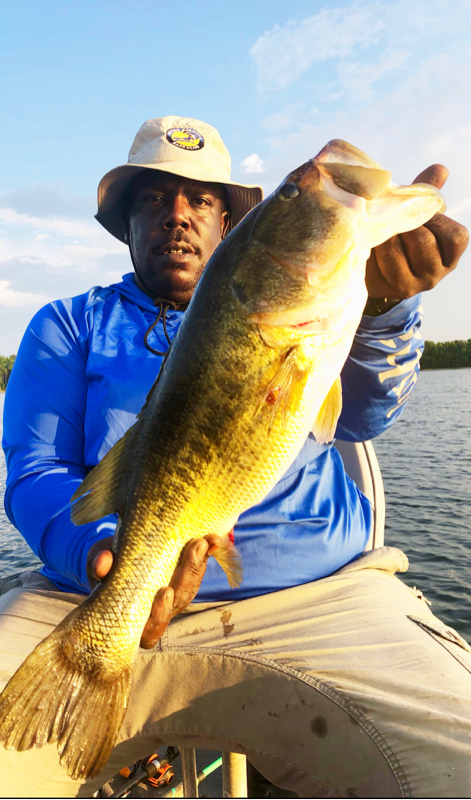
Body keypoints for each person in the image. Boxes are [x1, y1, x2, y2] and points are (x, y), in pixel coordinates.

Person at [0, 116, 469, 798]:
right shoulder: (68, 324)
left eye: (200, 199)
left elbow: (364, 414)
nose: (177, 215)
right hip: (97, 594)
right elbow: (35, 471)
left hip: (319, 599)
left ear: (227, 225)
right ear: (127, 225)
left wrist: (385, 310)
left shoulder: (327, 308)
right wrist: (102, 554)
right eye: (153, 199)